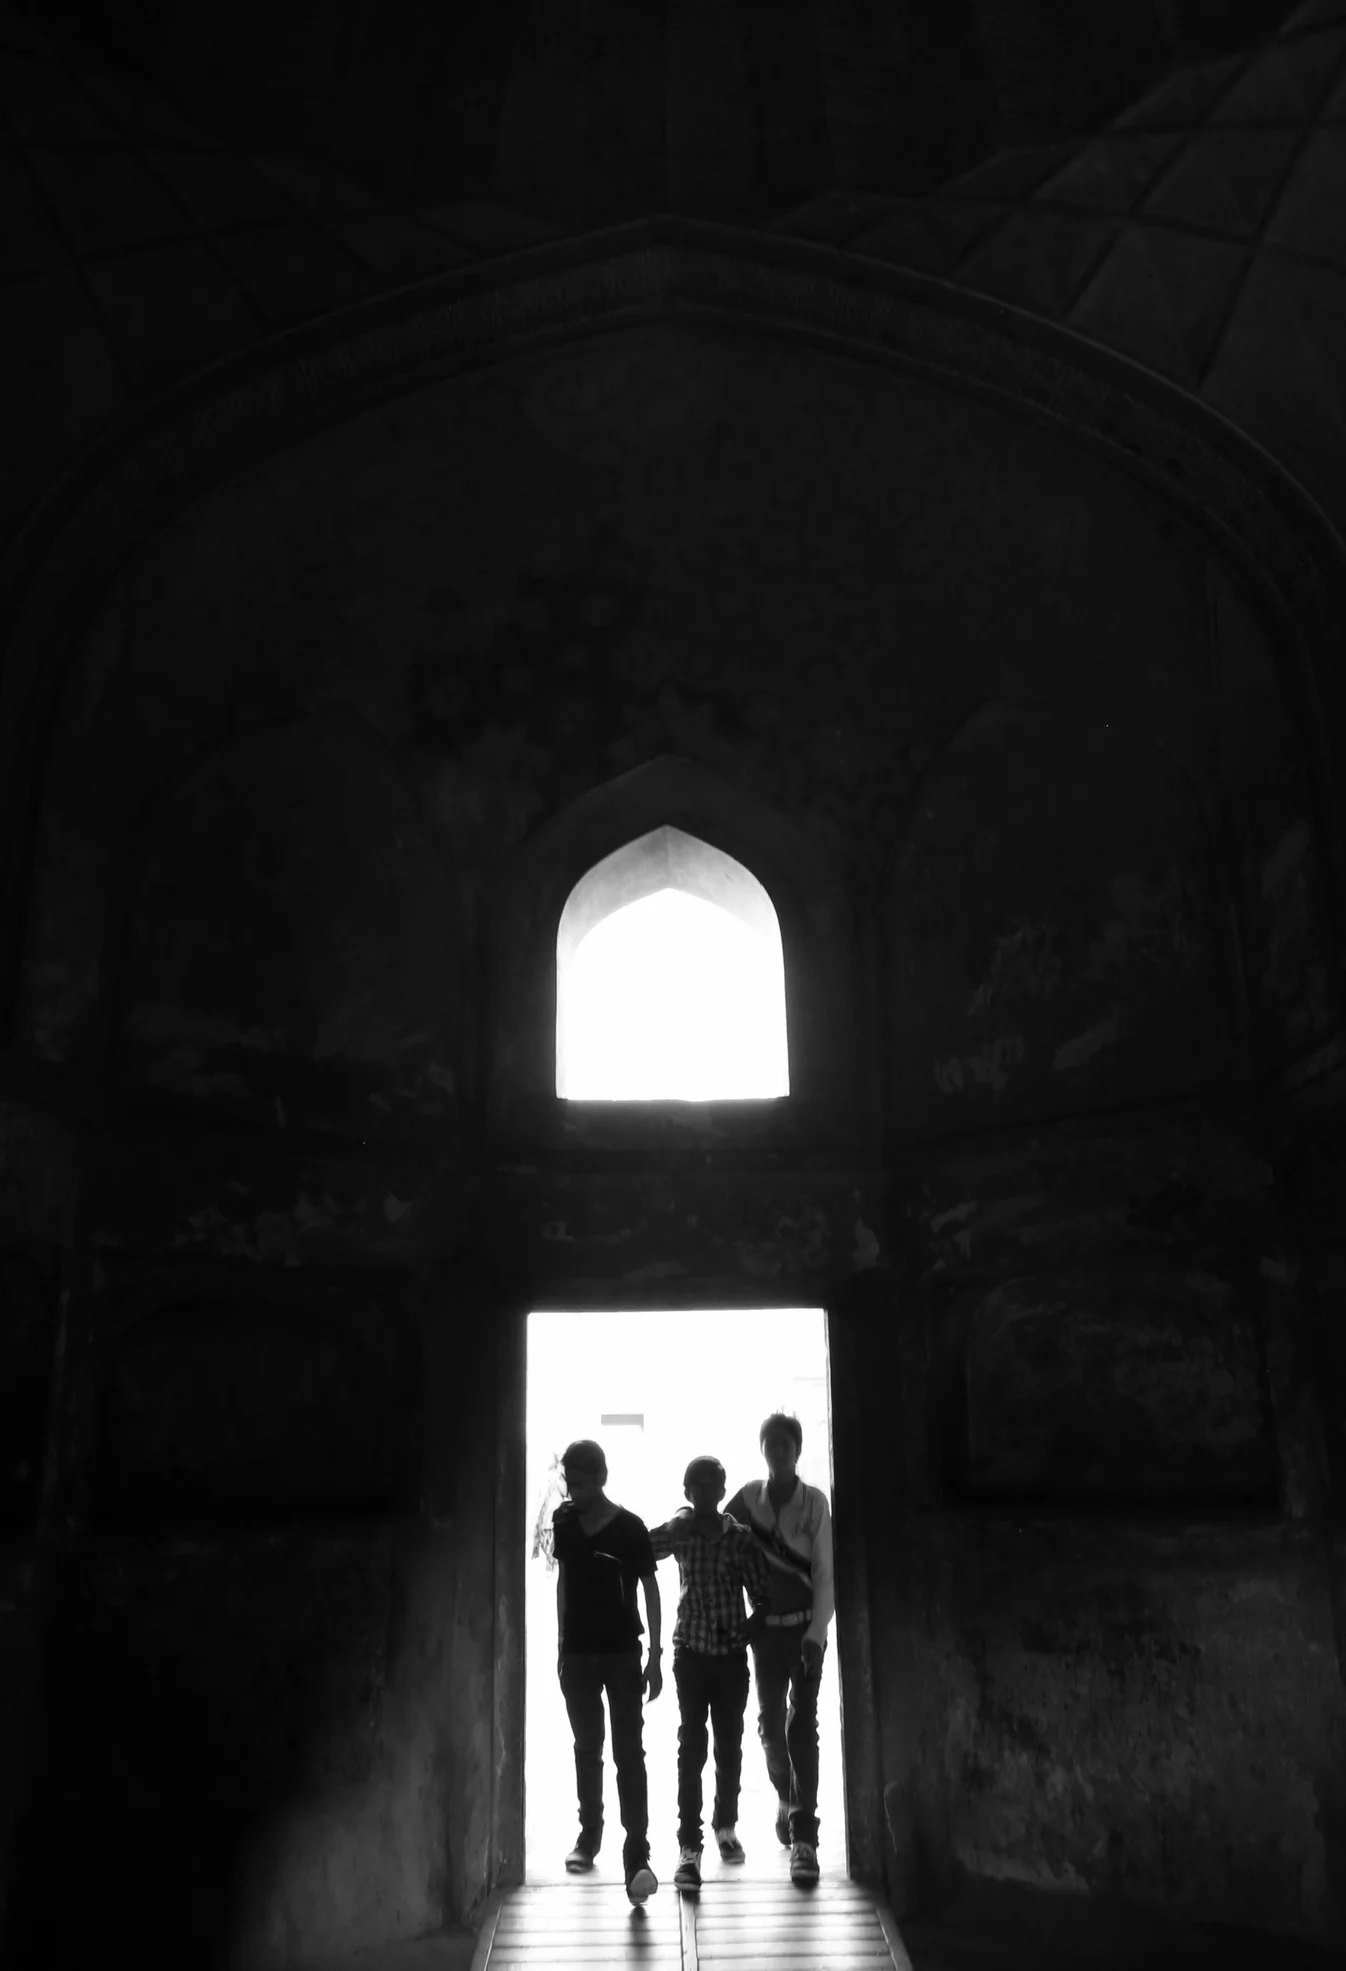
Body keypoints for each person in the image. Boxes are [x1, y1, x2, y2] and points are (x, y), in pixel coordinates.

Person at [649, 1456, 772, 1893]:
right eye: (695, 1488)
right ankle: (689, 1845)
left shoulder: (739, 1540)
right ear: (687, 1493)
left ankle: (725, 1824)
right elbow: (646, 1549)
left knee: (729, 1744)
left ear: (722, 1491)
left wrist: (751, 1627)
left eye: (711, 1486)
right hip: (690, 1653)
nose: (703, 1493)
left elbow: (764, 1595)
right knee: (691, 1746)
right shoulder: (682, 1535)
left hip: (731, 1656)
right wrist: (676, 1520)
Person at [724, 1412, 835, 1886]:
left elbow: (827, 1574)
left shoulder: (814, 1503)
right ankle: (788, 1798)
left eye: (786, 1445)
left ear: (797, 1451)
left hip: (805, 1633)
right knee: (771, 1727)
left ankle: (805, 1838)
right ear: (763, 1450)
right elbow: (716, 1527)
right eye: (771, 1445)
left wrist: (816, 1635)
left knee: (802, 1726)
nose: (778, 1452)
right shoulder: (751, 1499)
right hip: (765, 1634)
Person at [551, 1438, 663, 1903]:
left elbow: (652, 1590)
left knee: (629, 1752)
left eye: (580, 1483)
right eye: (569, 1483)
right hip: (577, 1654)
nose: (573, 1492)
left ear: (602, 1478)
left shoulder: (630, 1529)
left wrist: (656, 1655)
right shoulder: (565, 1522)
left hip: (621, 1654)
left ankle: (636, 1854)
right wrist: (560, 1643)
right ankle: (588, 1836)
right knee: (586, 1748)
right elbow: (563, 1581)